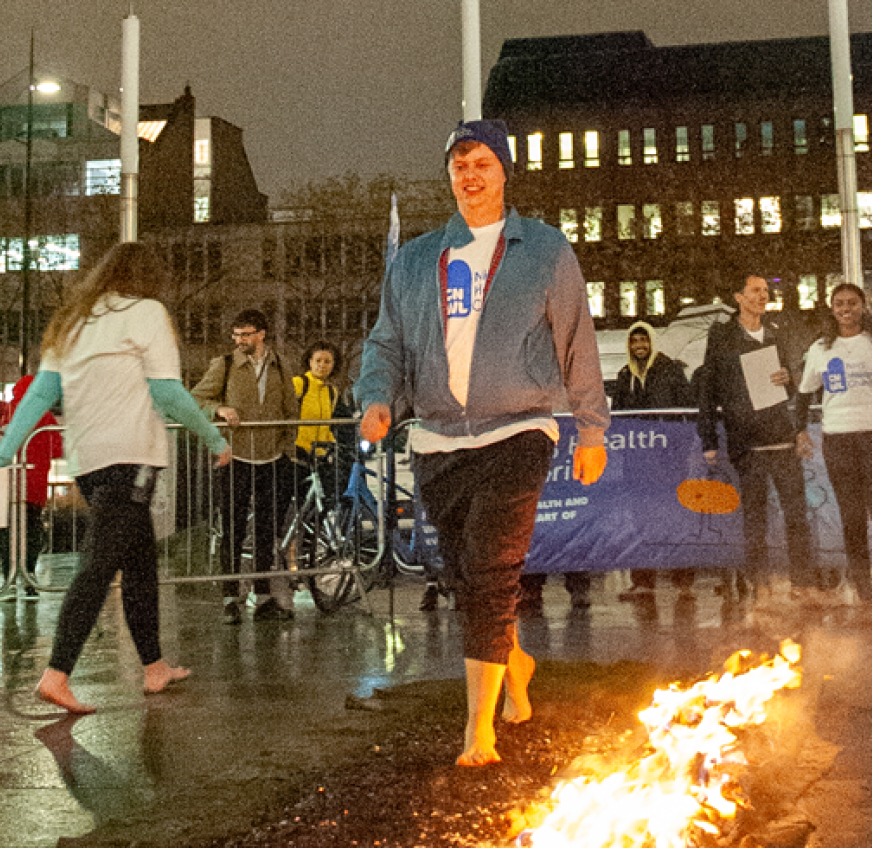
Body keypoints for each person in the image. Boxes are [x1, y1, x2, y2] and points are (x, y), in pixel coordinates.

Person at [354, 119, 609, 766]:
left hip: (518, 429)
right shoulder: (414, 260)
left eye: (482, 165)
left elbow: (576, 339)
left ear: (504, 173)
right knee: (466, 577)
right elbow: (385, 342)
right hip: (438, 439)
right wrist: (377, 397)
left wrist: (591, 427)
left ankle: (479, 731)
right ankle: (513, 658)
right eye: (459, 166)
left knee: (494, 568)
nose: (470, 177)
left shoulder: (544, 250)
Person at [0, 242, 231, 714]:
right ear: (148, 277)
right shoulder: (147, 312)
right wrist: (213, 437)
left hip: (88, 460)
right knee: (100, 565)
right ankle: (57, 673)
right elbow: (167, 391)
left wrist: (5, 449)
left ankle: (154, 667)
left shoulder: (72, 321)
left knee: (140, 562)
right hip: (132, 456)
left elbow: (42, 393)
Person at [794, 283, 872, 608]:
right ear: (831, 308)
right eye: (839, 304)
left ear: (863, 306)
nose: (846, 309)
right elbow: (804, 396)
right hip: (839, 440)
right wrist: (800, 431)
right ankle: (864, 591)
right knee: (851, 518)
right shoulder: (821, 349)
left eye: (852, 303)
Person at [697, 274, 817, 603]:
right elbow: (708, 388)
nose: (762, 296)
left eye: (766, 291)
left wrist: (789, 380)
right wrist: (708, 438)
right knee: (755, 516)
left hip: (780, 436)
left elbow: (792, 385)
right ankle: (759, 584)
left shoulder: (775, 335)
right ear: (738, 297)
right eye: (755, 291)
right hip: (746, 441)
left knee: (796, 514)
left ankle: (802, 583)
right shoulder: (722, 336)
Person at [191, 309, 301, 624]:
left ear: (261, 334)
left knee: (267, 530)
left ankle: (263, 596)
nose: (240, 340)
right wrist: (219, 408)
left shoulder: (280, 365)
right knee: (233, 529)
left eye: (246, 334)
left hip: (271, 458)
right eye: (236, 334)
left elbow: (290, 409)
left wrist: (287, 450)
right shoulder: (224, 365)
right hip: (235, 457)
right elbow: (196, 398)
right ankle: (230, 597)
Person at [612, 321, 695, 600]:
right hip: (638, 462)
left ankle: (683, 577)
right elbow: (619, 420)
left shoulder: (671, 370)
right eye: (634, 341)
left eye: (643, 341)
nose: (639, 347)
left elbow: (688, 409)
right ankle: (643, 580)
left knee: (675, 515)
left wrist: (681, 446)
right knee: (641, 518)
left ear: (652, 342)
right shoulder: (625, 376)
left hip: (669, 459)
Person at [0, 375, 63, 602]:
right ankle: (28, 581)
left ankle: (7, 580)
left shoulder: (5, 412)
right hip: (33, 489)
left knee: (7, 535)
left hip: (6, 488)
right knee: (32, 533)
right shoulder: (44, 416)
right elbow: (57, 449)